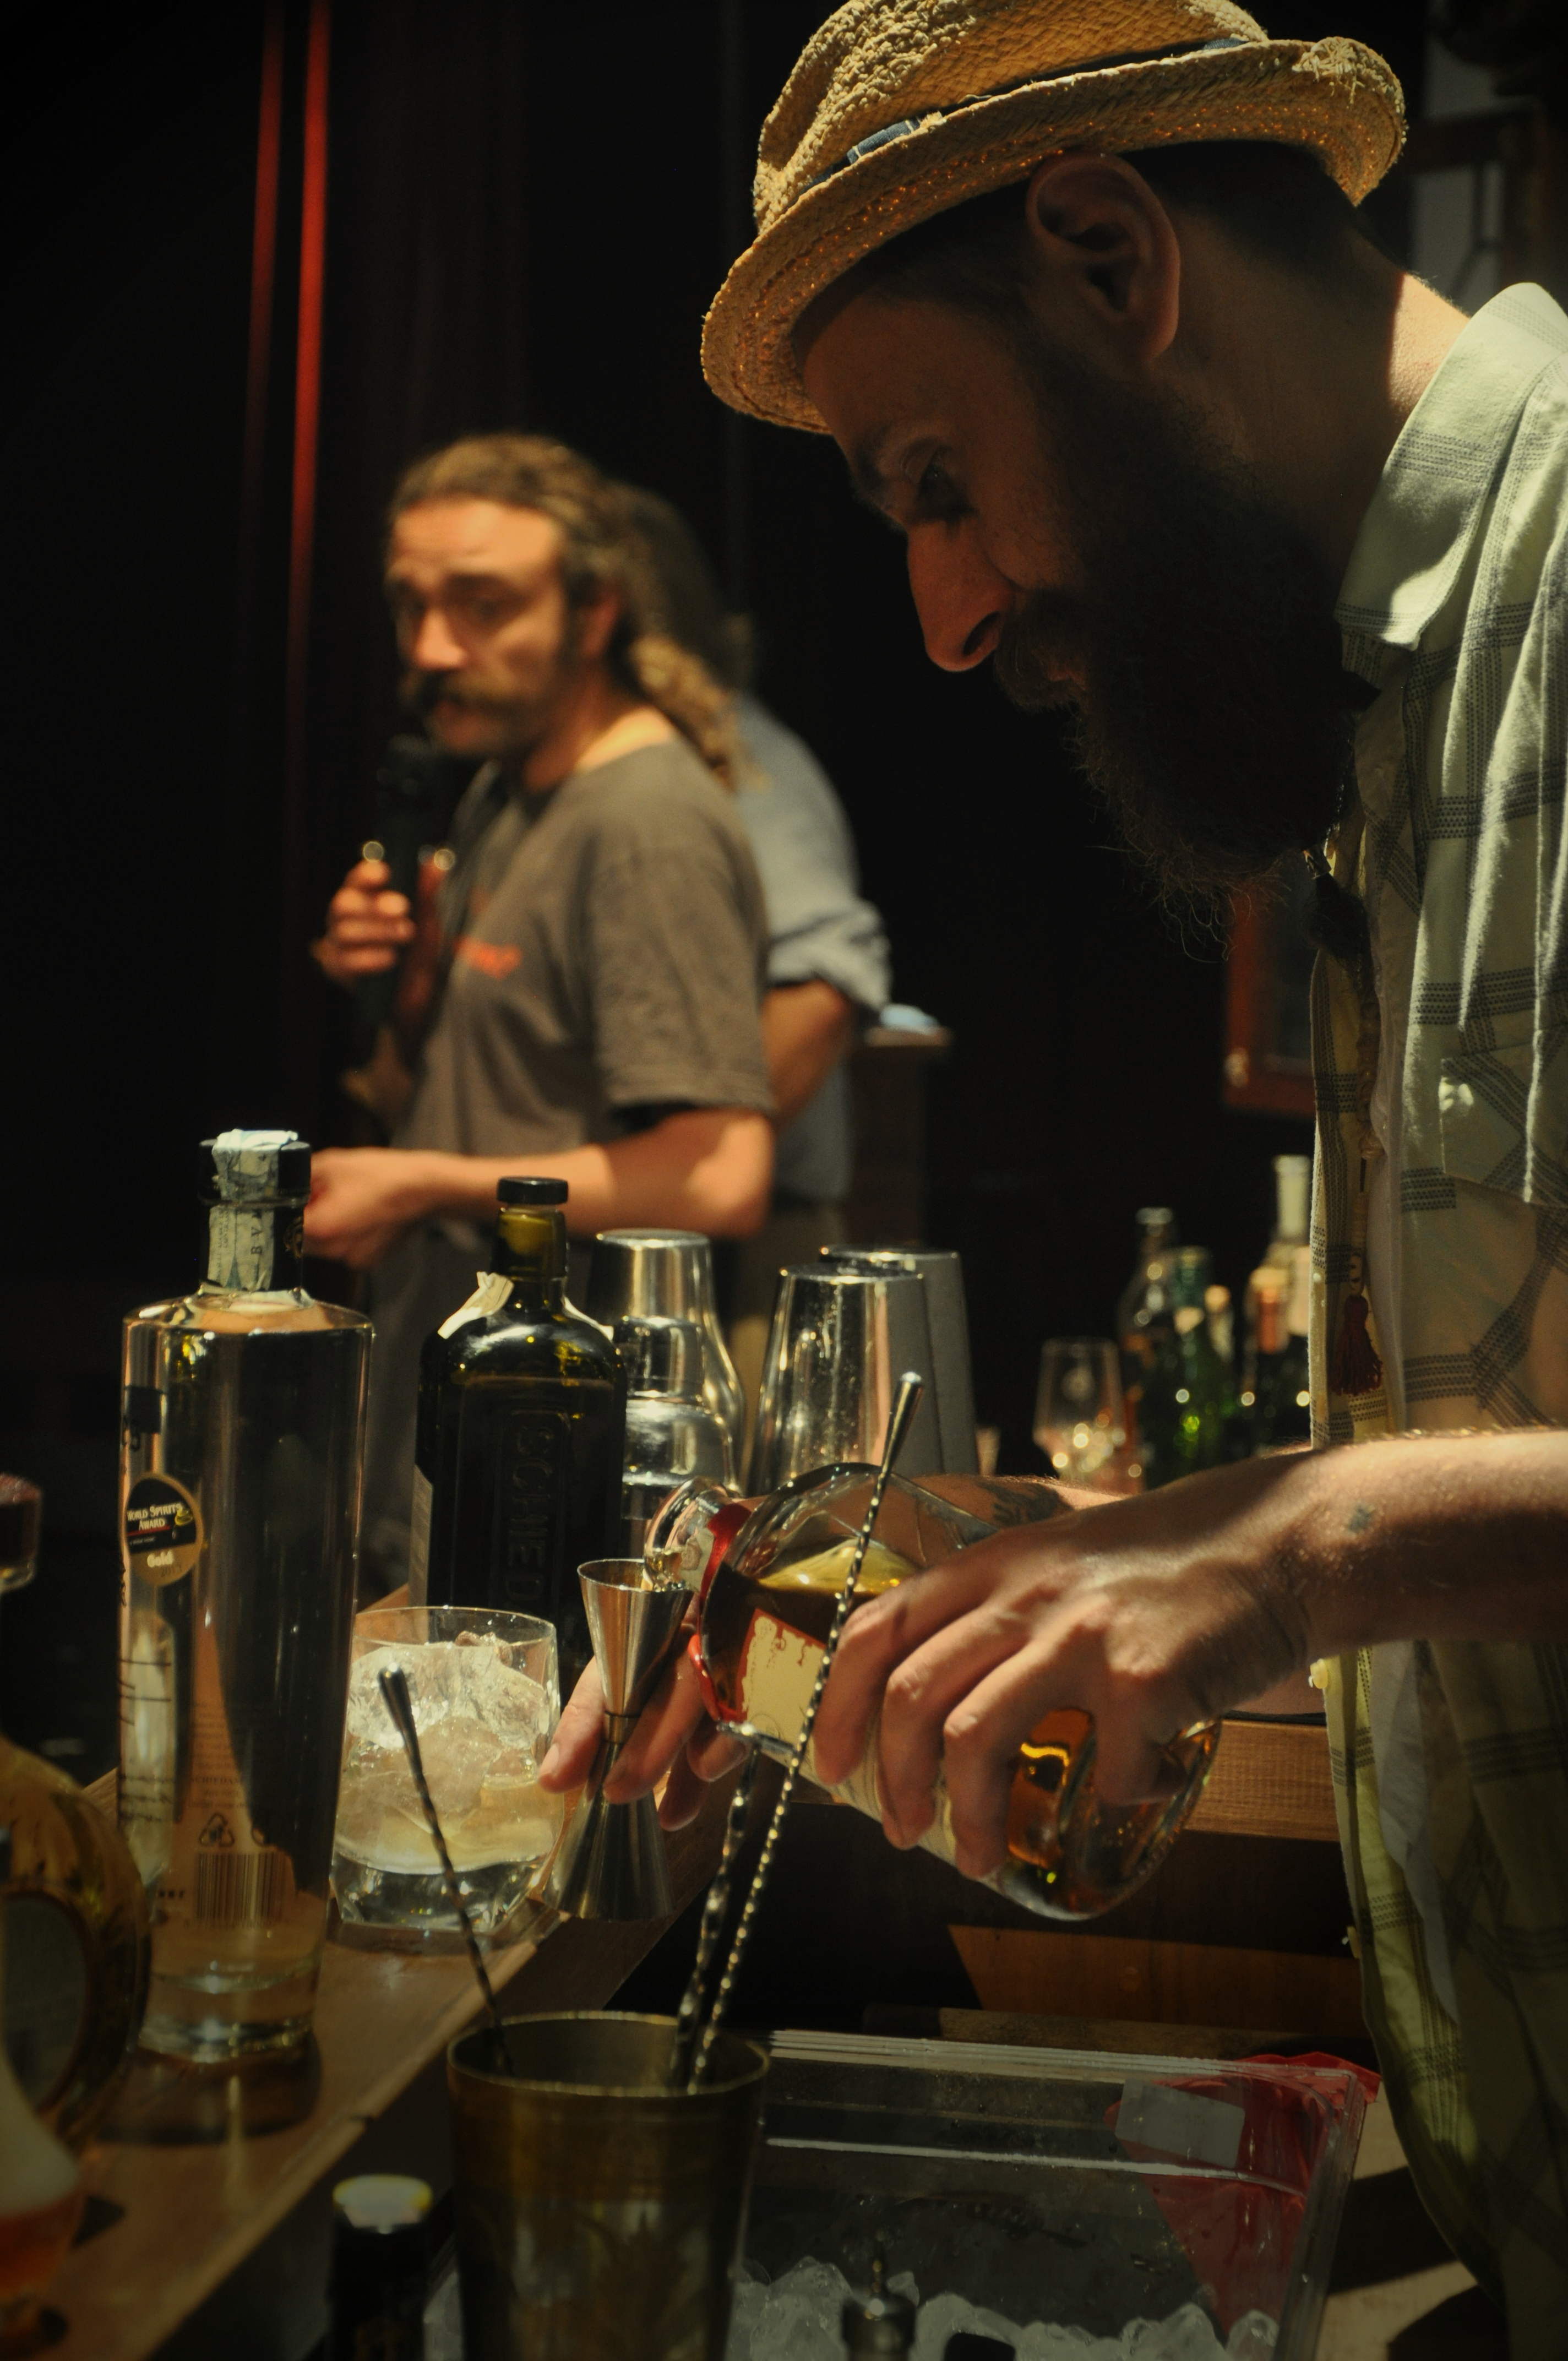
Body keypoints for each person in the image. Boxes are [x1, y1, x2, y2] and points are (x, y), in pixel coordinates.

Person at [538, 4, 1568, 2343]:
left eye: (932, 480)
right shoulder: (1385, 700)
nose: (945, 616)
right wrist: (1037, 1554)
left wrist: (1300, 1544)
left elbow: (1365, 1529)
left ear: (1108, 255)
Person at [306, 433, 775, 1579]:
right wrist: (401, 985)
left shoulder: (644, 823)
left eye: (484, 606)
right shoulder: (506, 787)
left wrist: (415, 1183)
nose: (432, 647)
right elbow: (457, 1093)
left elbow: (717, 1174)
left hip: (548, 1474)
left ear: (593, 612)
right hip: (462, 1415)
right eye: (412, 605)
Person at [622, 486, 891, 1420]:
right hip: (671, 1248)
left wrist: (691, 1164)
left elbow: (825, 989)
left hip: (740, 1264)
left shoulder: (737, 761)